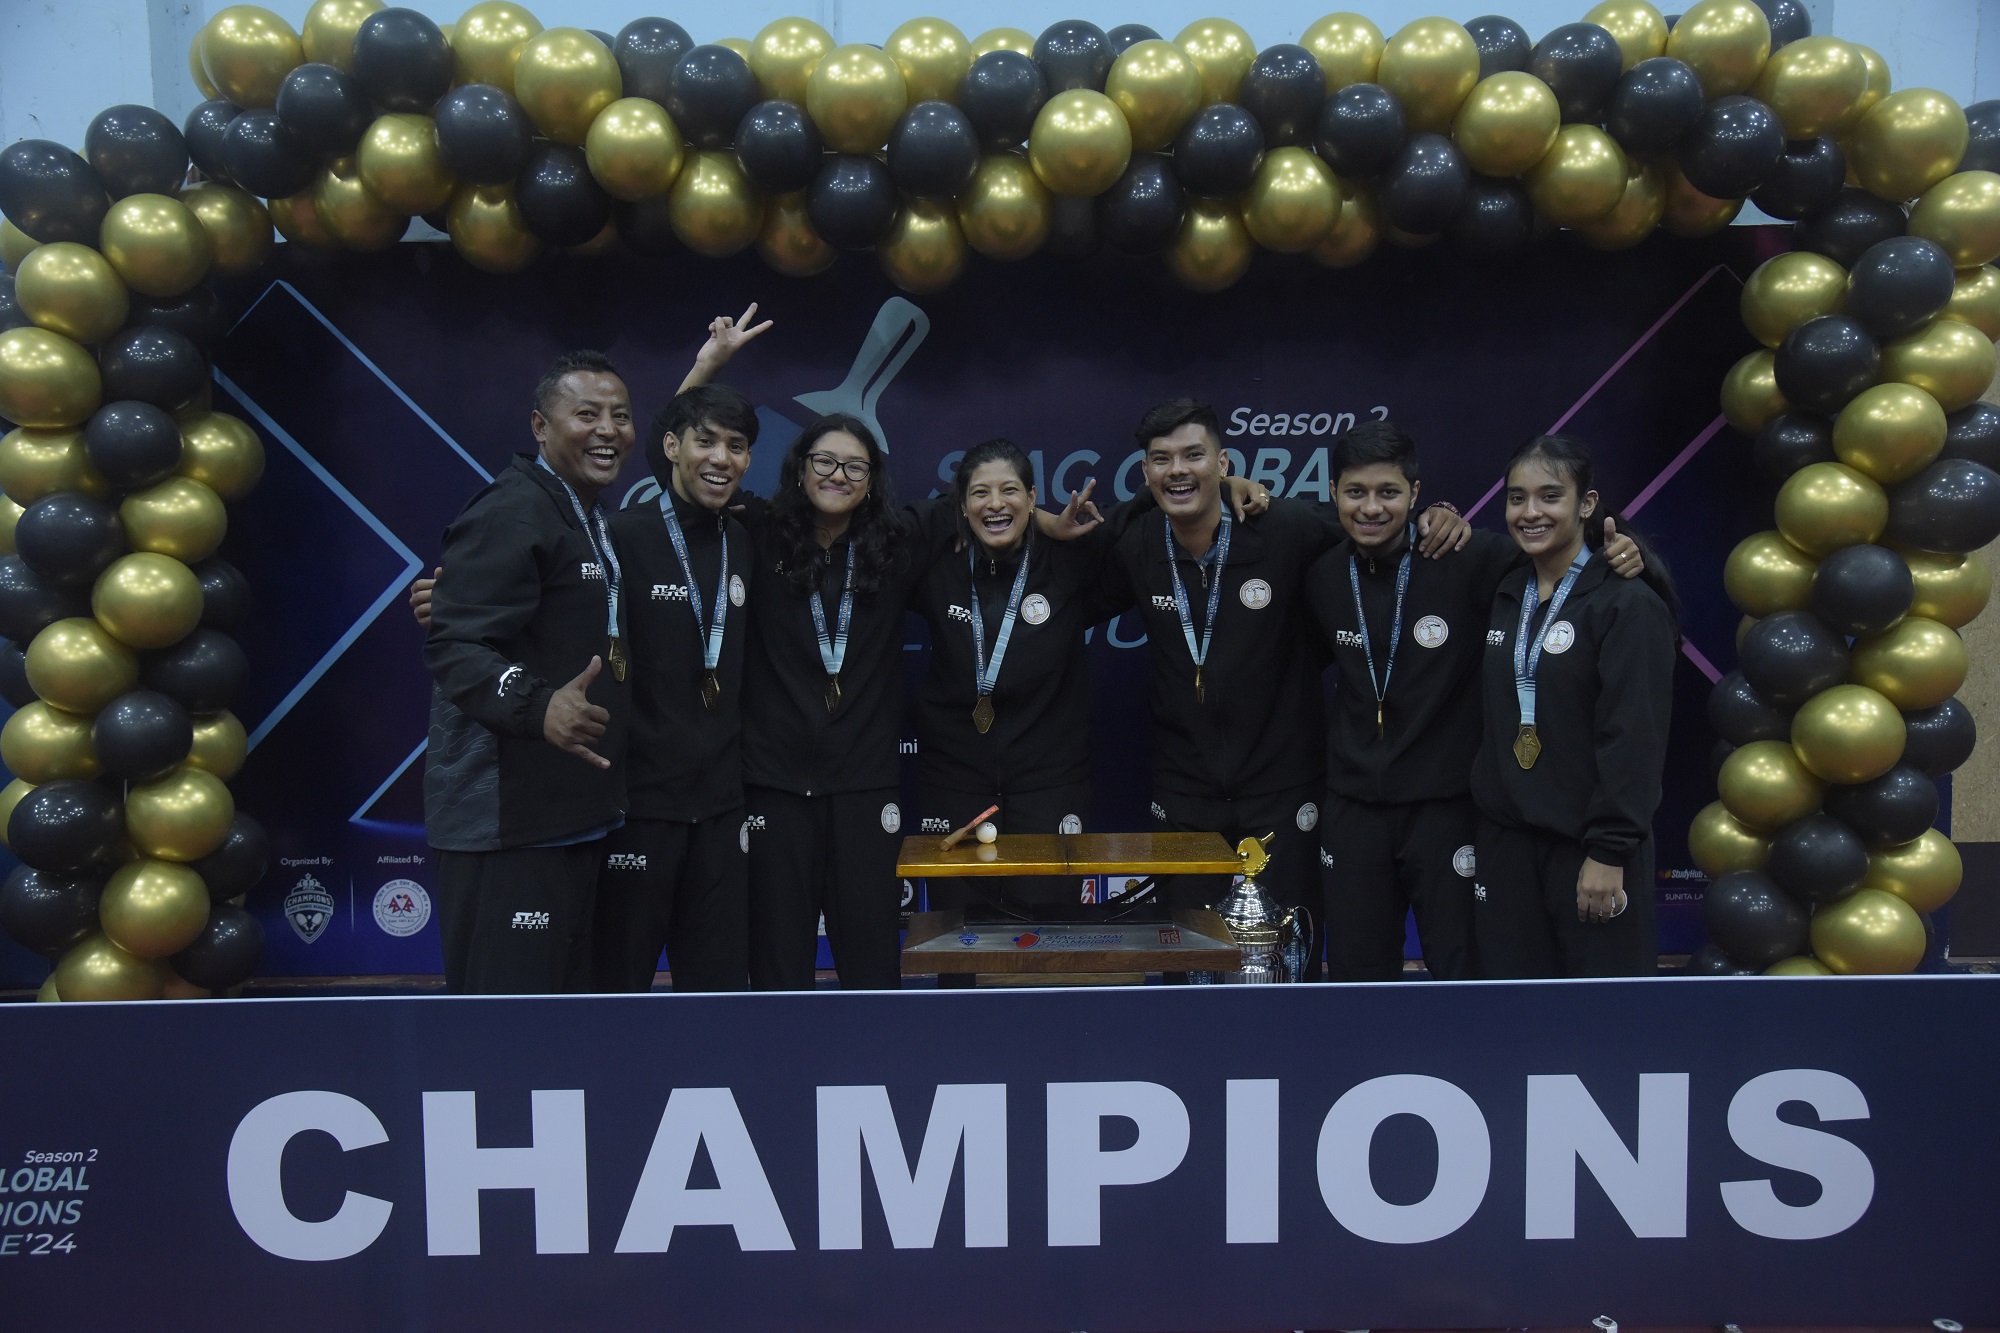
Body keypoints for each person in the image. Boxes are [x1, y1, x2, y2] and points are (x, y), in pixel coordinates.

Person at [1097, 399, 1467, 980]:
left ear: (1223, 462)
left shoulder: (1287, 529)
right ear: (1144, 473)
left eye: (1195, 456)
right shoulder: (1135, 543)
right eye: (1161, 460)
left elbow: (1374, 536)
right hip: (1184, 794)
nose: (1178, 471)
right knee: (1187, 967)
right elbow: (1064, 560)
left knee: (1288, 963)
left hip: (1284, 792)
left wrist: (1437, 516)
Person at [1304, 421, 1647, 983]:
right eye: (1355, 492)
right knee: (1355, 976)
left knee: (1465, 975)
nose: (1371, 508)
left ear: (1415, 494)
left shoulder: (1471, 557)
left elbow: (1563, 560)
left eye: (1389, 492)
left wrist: (1626, 553)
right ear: (1333, 492)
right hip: (1353, 808)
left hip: (1449, 810)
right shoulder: (1321, 572)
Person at [421, 349, 635, 994]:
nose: (607, 429)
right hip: (506, 826)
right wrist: (539, 704)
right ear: (541, 426)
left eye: (621, 416)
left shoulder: (584, 511)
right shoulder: (512, 510)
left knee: (563, 1033)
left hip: (573, 815)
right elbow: (457, 644)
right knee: (505, 1034)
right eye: (586, 414)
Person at [1469, 434, 1679, 978]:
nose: (1530, 513)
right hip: (1509, 851)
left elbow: (1634, 738)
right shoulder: (1505, 591)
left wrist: (1609, 851)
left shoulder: (1627, 603)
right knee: (1514, 1015)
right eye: (1517, 498)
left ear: (1587, 504)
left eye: (1550, 496)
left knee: (1599, 1018)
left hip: (1591, 855)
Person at [739, 414, 931, 991]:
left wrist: (1046, 517)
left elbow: (983, 503)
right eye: (824, 461)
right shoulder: (759, 531)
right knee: (777, 965)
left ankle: (876, 1050)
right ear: (800, 469)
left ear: (871, 482)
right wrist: (705, 371)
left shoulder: (896, 545)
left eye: (854, 466)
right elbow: (669, 457)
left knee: (872, 964)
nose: (837, 475)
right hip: (773, 783)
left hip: (863, 786)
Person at [591, 383, 758, 993]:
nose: (721, 459)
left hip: (721, 811)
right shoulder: (620, 535)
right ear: (670, 447)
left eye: (736, 446)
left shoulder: (744, 539)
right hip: (637, 811)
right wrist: (455, 596)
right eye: (705, 442)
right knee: (616, 993)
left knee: (719, 997)